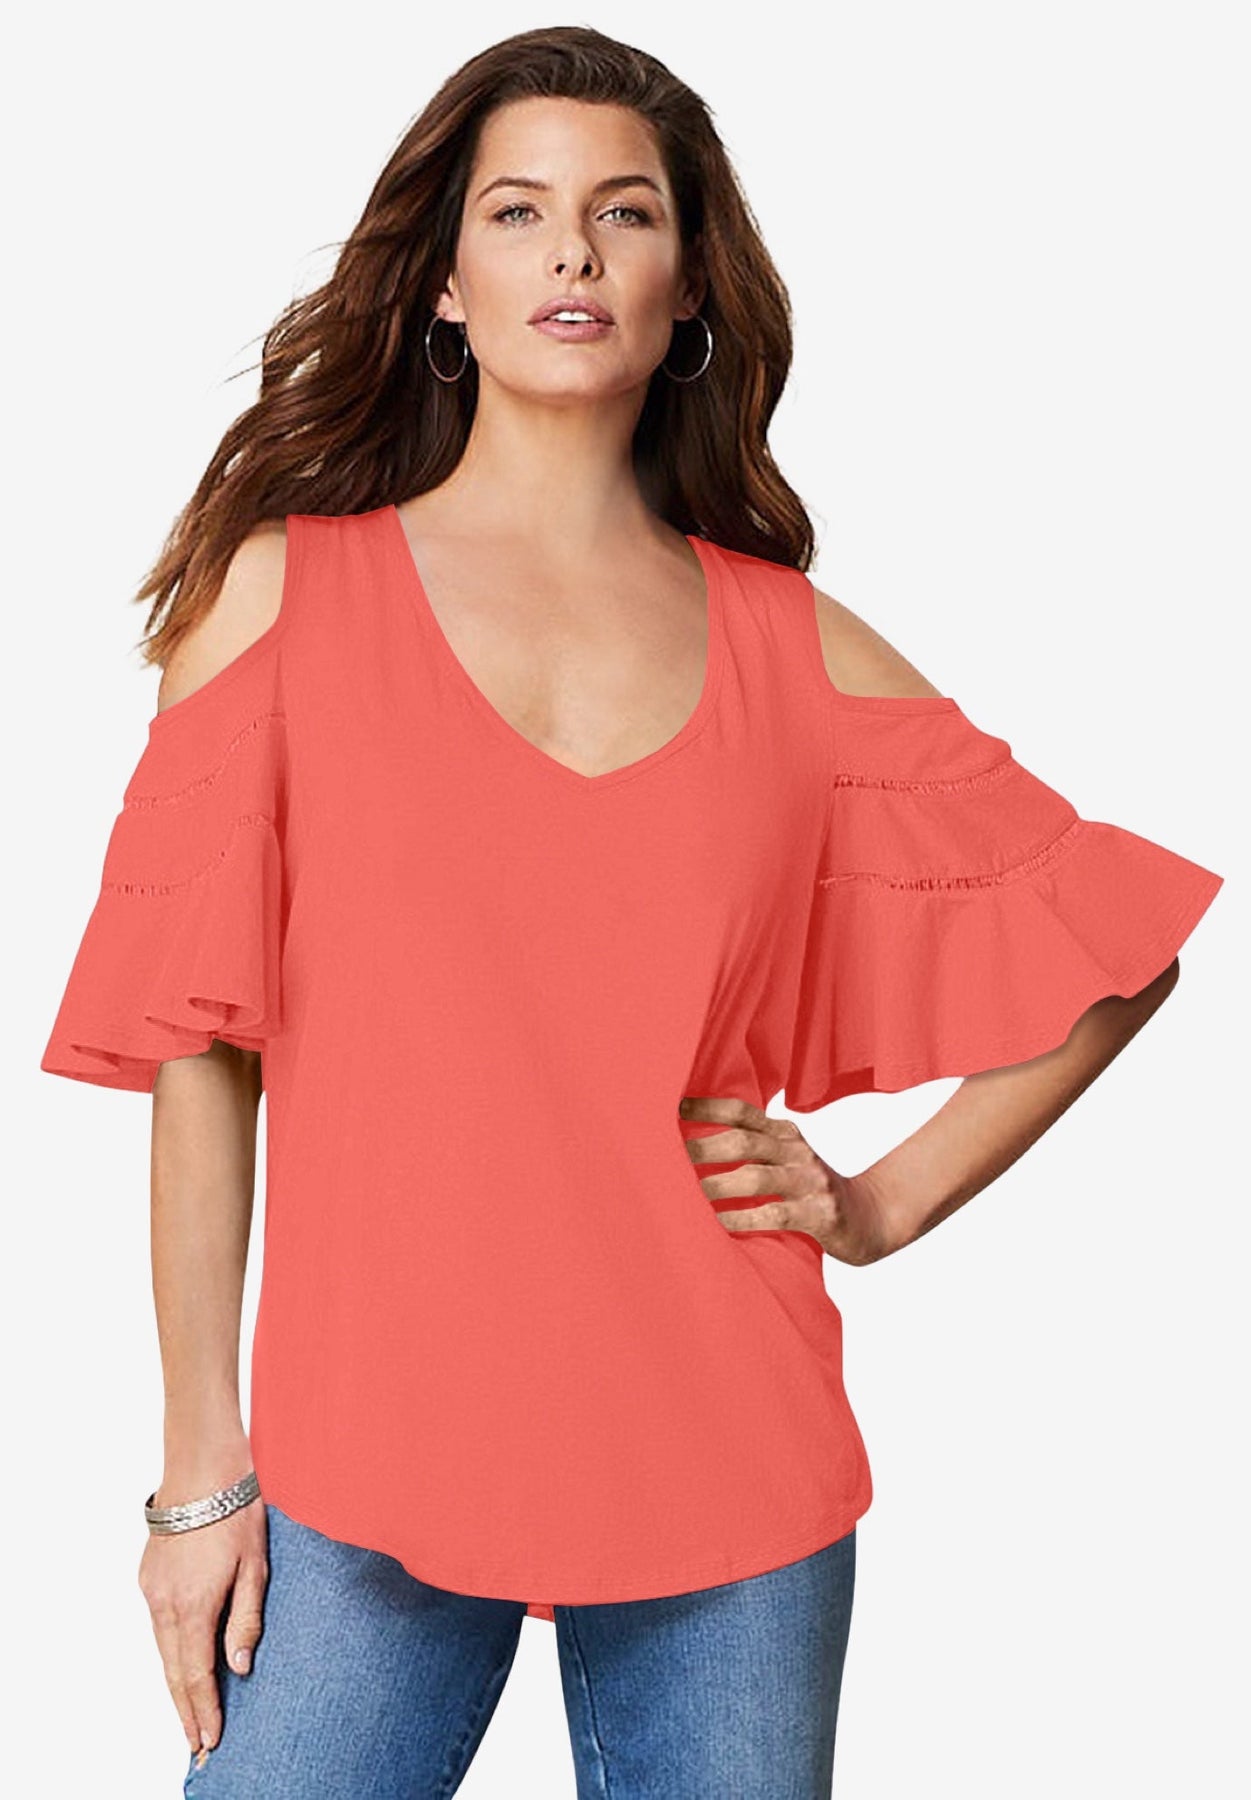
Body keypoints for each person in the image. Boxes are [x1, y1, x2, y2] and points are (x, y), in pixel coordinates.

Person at [39, 25, 1223, 1800]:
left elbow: (1113, 940)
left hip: (731, 1474)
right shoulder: (278, 603)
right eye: (518, 211)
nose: (574, 249)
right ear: (447, 286)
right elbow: (197, 1052)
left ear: (687, 292)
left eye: (626, 211)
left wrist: (881, 1204)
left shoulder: (792, 647)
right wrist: (198, 1473)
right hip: (366, 1465)